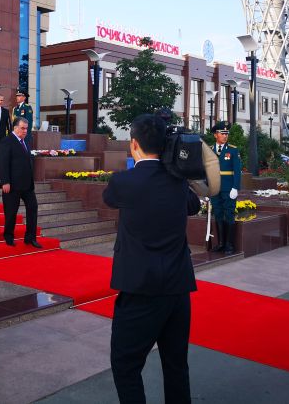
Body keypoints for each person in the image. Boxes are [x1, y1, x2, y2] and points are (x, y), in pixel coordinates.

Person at [103, 113, 201, 404]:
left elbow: (109, 198)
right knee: (176, 365)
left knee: (125, 365)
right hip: (177, 288)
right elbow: (194, 205)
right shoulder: (178, 182)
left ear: (133, 144)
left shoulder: (124, 182)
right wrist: (176, 169)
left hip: (140, 289)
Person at [0, 117, 41, 248]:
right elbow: (3, 162)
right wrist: (5, 181)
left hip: (27, 184)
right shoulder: (7, 141)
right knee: (11, 212)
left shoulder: (25, 141)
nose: (25, 131)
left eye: (26, 129)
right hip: (12, 184)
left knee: (33, 208)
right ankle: (9, 236)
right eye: (22, 128)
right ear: (15, 128)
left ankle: (30, 238)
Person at [209, 121, 242, 255]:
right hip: (214, 187)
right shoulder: (210, 150)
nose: (225, 136)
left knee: (229, 214)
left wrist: (235, 187)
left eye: (226, 133)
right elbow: (206, 170)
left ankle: (229, 244)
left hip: (228, 188)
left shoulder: (233, 150)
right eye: (222, 133)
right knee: (218, 213)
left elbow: (237, 170)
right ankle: (221, 243)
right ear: (215, 135)